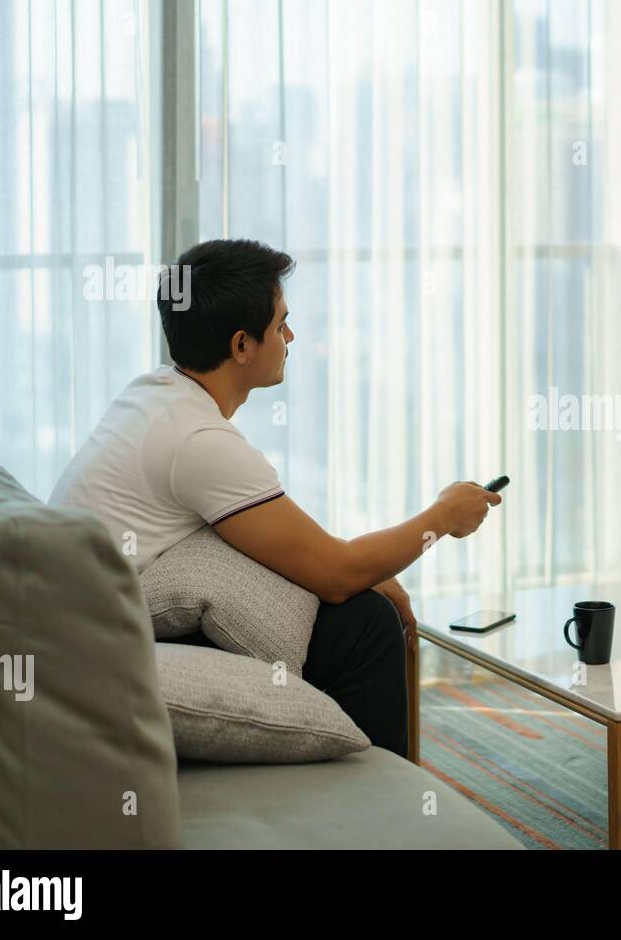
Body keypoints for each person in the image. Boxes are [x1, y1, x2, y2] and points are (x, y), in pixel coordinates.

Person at [49, 238, 500, 756]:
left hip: (83, 615)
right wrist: (444, 516)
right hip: (99, 641)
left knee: (358, 612)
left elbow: (301, 547)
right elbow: (336, 573)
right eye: (281, 323)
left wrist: (364, 570)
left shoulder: (155, 392)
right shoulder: (199, 443)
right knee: (365, 626)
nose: (291, 335)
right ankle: (377, 809)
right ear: (242, 346)